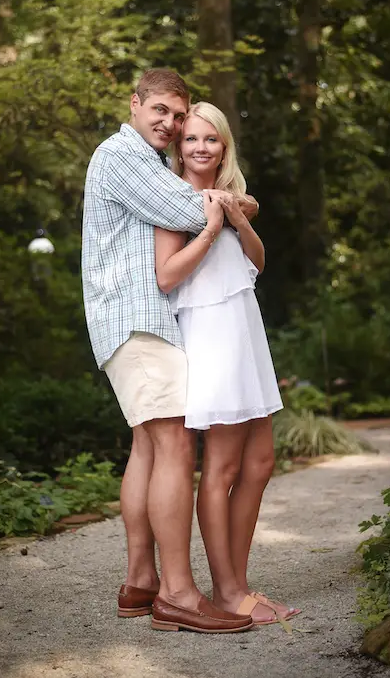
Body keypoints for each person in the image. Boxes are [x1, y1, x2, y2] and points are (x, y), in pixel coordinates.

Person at [82, 69, 258, 634]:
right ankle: (180, 595)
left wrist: (229, 203)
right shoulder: (122, 154)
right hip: (136, 320)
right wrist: (235, 204)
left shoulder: (149, 163)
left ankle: (141, 581)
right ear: (134, 105)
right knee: (175, 443)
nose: (170, 123)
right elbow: (188, 213)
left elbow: (197, 204)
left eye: (177, 116)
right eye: (159, 110)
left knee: (148, 447)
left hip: (136, 322)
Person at [154, 102, 301, 626]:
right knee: (221, 467)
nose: (199, 147)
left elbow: (257, 263)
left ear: (223, 145)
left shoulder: (233, 197)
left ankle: (237, 582)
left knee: (260, 464)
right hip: (211, 337)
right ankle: (230, 591)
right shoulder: (171, 201)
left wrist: (237, 216)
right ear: (177, 145)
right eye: (190, 138)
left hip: (245, 333)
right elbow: (167, 277)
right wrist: (214, 225)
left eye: (210, 139)